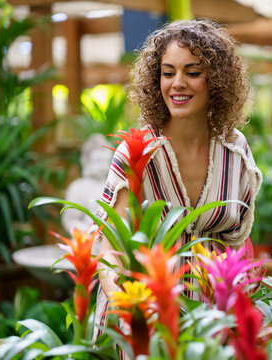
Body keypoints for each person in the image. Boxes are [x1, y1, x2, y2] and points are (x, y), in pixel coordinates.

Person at [94, 19, 262, 333]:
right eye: (168, 73)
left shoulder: (235, 149)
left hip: (211, 316)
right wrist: (125, 301)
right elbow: (111, 248)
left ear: (216, 80)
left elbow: (238, 245)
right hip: (145, 311)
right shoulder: (136, 152)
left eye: (193, 72)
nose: (177, 83)